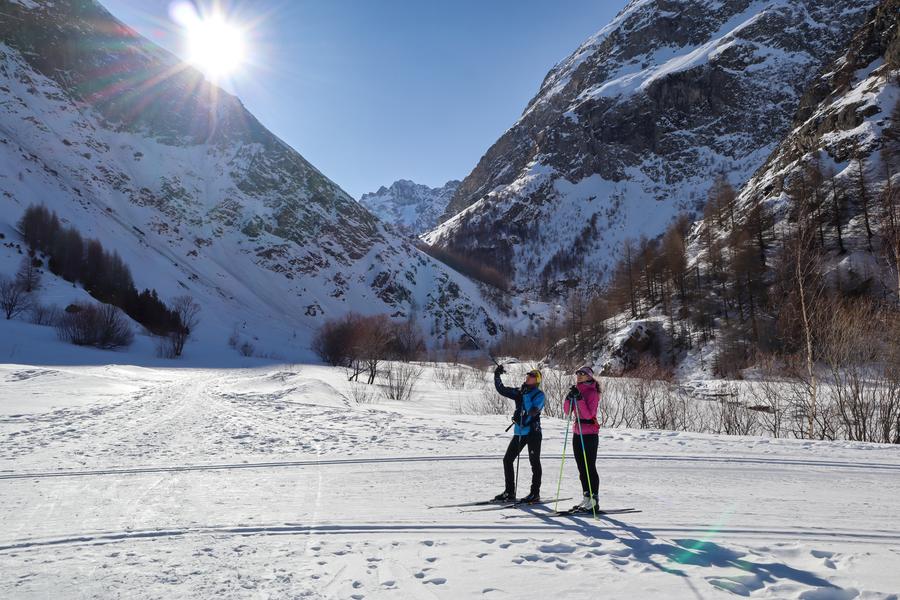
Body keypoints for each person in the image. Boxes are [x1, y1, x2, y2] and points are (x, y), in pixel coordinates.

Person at [492, 365, 545, 504]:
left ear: (536, 381)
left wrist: (526, 394)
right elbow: (501, 389)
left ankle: (535, 493)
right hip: (520, 432)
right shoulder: (520, 391)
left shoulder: (539, 395)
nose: (528, 377)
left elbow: (531, 411)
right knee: (507, 460)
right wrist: (497, 375)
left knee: (534, 463)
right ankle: (509, 492)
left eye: (532, 376)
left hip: (534, 433)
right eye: (528, 375)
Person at [564, 365, 601, 512]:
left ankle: (594, 499)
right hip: (577, 432)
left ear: (589, 376)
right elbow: (567, 411)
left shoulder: (593, 393)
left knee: (589, 467)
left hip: (590, 433)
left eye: (582, 373)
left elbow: (588, 415)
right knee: (581, 468)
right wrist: (569, 398)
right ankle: (586, 497)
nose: (579, 375)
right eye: (577, 373)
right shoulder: (577, 390)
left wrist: (578, 398)